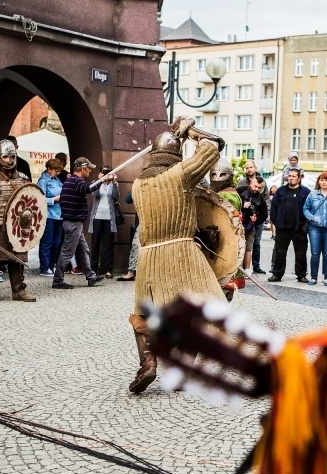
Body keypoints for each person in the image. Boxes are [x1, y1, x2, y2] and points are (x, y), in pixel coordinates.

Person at [127, 119, 225, 393]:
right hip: (181, 253)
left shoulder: (138, 185)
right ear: (175, 154)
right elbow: (215, 146)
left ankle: (149, 361)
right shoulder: (180, 174)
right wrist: (189, 131)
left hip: (148, 258)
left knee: (144, 315)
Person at [0, 139, 36, 304]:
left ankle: (18, 290)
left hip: (17, 226)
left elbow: (30, 201)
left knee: (17, 258)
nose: (9, 160)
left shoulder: (23, 178)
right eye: (5, 156)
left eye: (12, 156)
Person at [52, 157, 106, 290]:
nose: (89, 171)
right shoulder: (77, 180)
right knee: (67, 252)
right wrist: (101, 181)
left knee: (83, 250)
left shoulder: (69, 180)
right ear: (83, 168)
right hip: (74, 222)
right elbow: (86, 189)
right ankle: (57, 280)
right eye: (89, 169)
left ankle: (91, 276)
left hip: (73, 222)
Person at [268, 168, 310, 283]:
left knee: (301, 253)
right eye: (289, 176)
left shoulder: (305, 192)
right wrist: (276, 222)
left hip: (299, 228)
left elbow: (310, 208)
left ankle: (301, 275)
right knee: (280, 252)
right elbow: (274, 208)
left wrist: (305, 224)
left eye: (293, 176)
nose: (291, 178)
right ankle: (277, 274)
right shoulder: (281, 191)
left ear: (299, 178)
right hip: (282, 227)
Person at [89, 165, 120, 278]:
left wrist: (115, 183)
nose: (107, 175)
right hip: (97, 217)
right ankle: (93, 269)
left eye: (108, 173)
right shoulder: (96, 183)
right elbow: (95, 194)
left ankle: (108, 269)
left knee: (108, 245)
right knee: (95, 244)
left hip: (109, 218)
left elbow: (116, 196)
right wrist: (99, 181)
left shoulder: (114, 184)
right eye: (104, 173)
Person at [237, 160, 268, 273]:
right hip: (239, 224)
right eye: (247, 167)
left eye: (259, 187)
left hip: (252, 225)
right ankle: (237, 268)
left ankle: (250, 269)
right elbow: (233, 202)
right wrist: (241, 206)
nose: (256, 189)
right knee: (238, 246)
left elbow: (265, 210)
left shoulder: (260, 194)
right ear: (250, 184)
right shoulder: (241, 186)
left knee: (253, 245)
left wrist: (257, 218)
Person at [36, 158, 64, 277]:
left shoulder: (58, 180)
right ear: (49, 169)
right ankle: (44, 267)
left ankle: (52, 265)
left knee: (57, 242)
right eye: (56, 170)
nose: (58, 173)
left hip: (59, 215)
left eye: (59, 171)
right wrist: (54, 199)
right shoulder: (42, 181)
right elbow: (38, 199)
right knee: (47, 242)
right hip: (48, 215)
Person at [117, 189, 139, 282]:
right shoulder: (140, 184)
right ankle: (131, 272)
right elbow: (128, 199)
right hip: (142, 221)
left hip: (156, 220)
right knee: (136, 245)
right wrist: (136, 186)